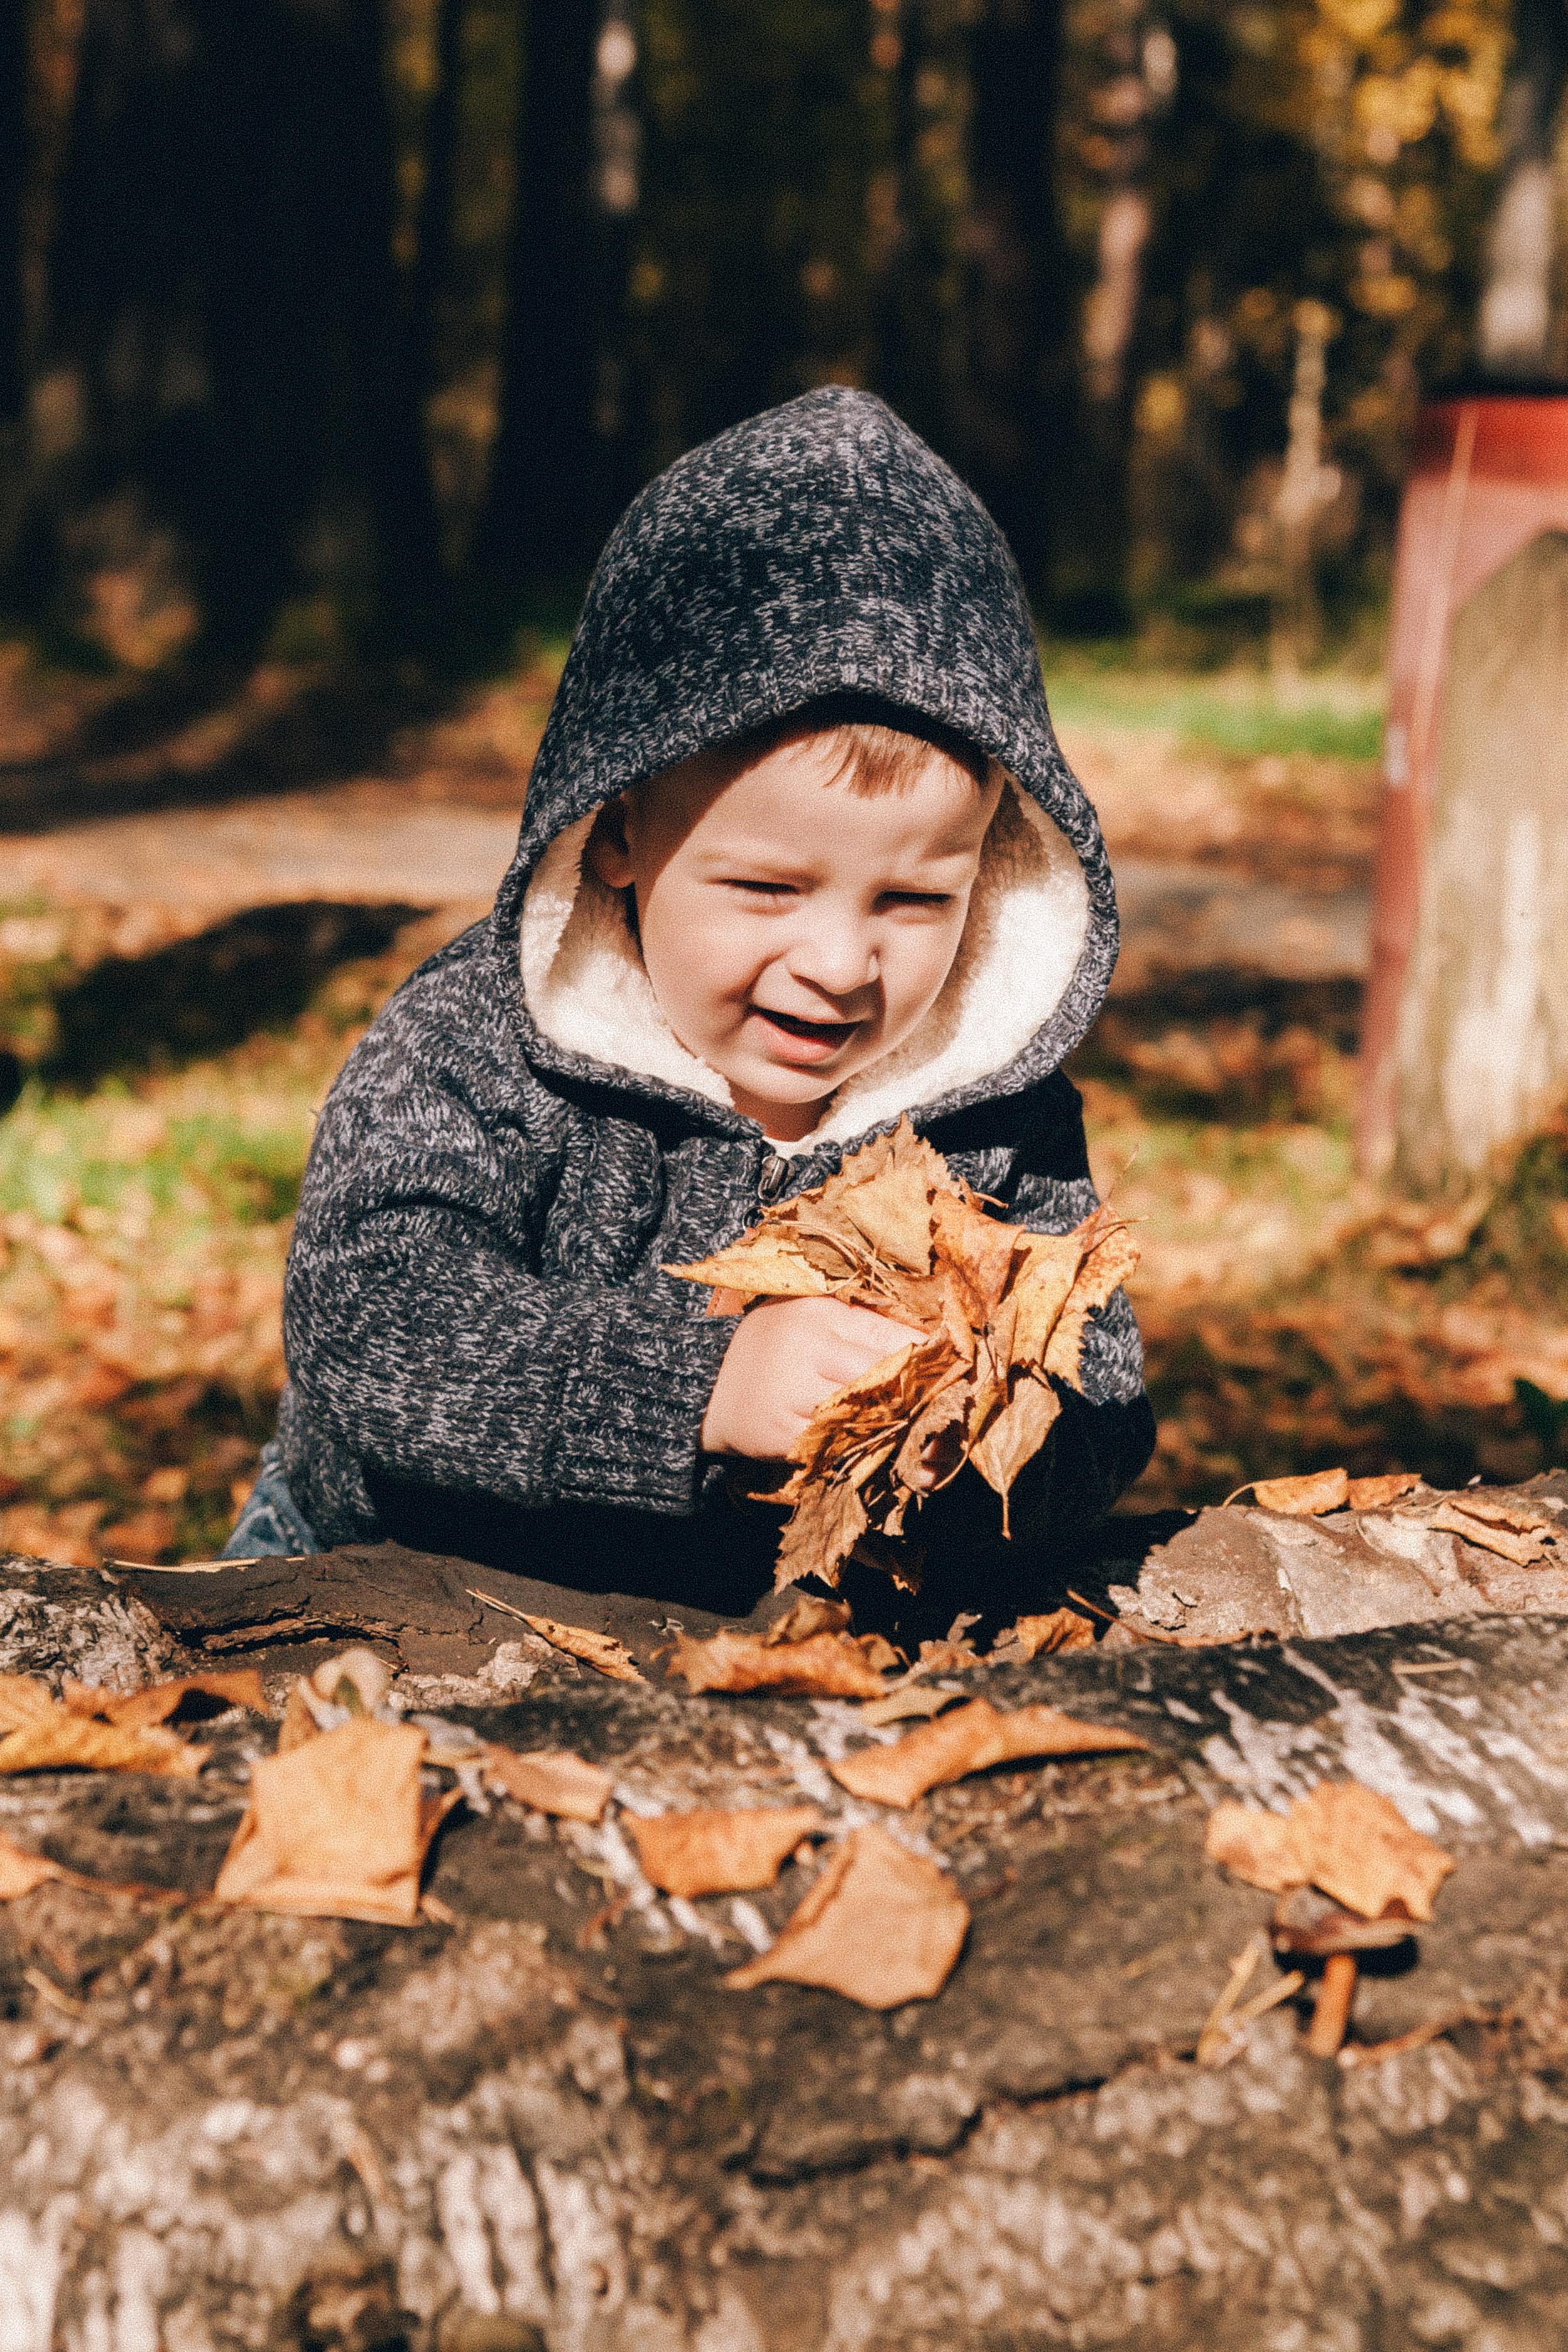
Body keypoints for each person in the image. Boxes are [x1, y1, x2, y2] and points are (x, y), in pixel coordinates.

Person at [227, 387, 1154, 1621]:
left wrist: (993, 1453)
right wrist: (697, 1391)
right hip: (381, 1585)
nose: (839, 963)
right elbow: (373, 1317)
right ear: (616, 836)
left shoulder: (995, 1120)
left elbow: (1104, 1378)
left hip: (744, 1628)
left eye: (915, 901)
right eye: (767, 888)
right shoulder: (482, 1045)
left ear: (990, 873)